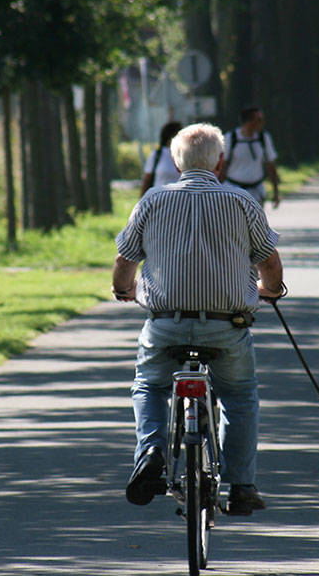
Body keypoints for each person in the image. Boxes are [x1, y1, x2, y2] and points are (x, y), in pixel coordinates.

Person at [113, 123, 284, 516]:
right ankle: (241, 486)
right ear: (220, 161)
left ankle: (151, 451)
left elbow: (126, 259)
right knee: (239, 398)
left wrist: (124, 289)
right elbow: (268, 260)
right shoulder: (242, 201)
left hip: (165, 323)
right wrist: (270, 289)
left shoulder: (153, 200)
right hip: (227, 325)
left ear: (175, 161)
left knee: (149, 387)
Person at [219, 106, 280, 208]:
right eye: (259, 120)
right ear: (249, 121)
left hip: (256, 189)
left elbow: (270, 165)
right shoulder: (231, 138)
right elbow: (222, 165)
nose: (262, 123)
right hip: (234, 188)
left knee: (256, 222)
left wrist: (276, 191)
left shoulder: (263, 138)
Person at [139, 120, 184, 197]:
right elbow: (147, 180)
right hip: (158, 200)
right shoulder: (156, 155)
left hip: (180, 201)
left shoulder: (186, 156)